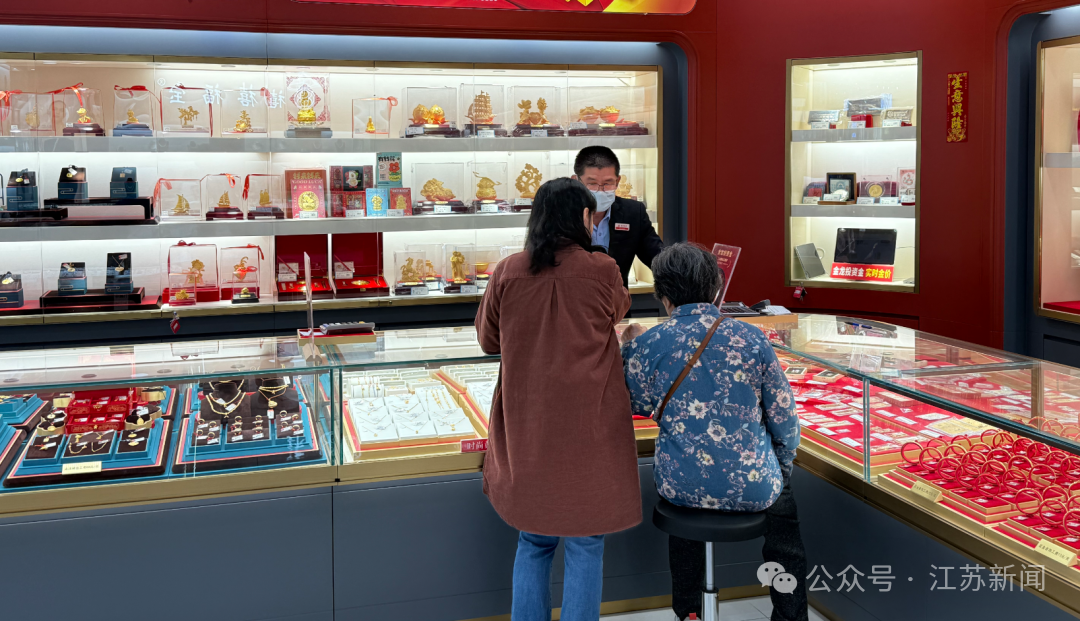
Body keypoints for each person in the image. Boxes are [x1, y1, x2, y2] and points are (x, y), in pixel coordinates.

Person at [475, 177, 642, 621]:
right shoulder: (603, 269)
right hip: (590, 426)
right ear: (583, 218)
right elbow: (618, 311)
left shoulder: (507, 270)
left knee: (533, 539)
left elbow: (488, 340)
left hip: (528, 423)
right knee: (586, 542)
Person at [619, 243, 807, 621]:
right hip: (755, 482)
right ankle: (790, 616)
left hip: (681, 483)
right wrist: (781, 466)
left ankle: (690, 611)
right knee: (785, 537)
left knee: (685, 519)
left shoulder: (648, 344)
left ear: (663, 295)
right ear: (716, 289)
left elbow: (634, 404)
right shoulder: (751, 338)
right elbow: (784, 418)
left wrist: (628, 348)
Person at [573, 145, 664, 287]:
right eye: (592, 184)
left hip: (616, 299)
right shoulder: (560, 213)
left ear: (618, 181)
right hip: (573, 297)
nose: (600, 190)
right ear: (576, 181)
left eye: (607, 183)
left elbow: (658, 258)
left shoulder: (633, 212)